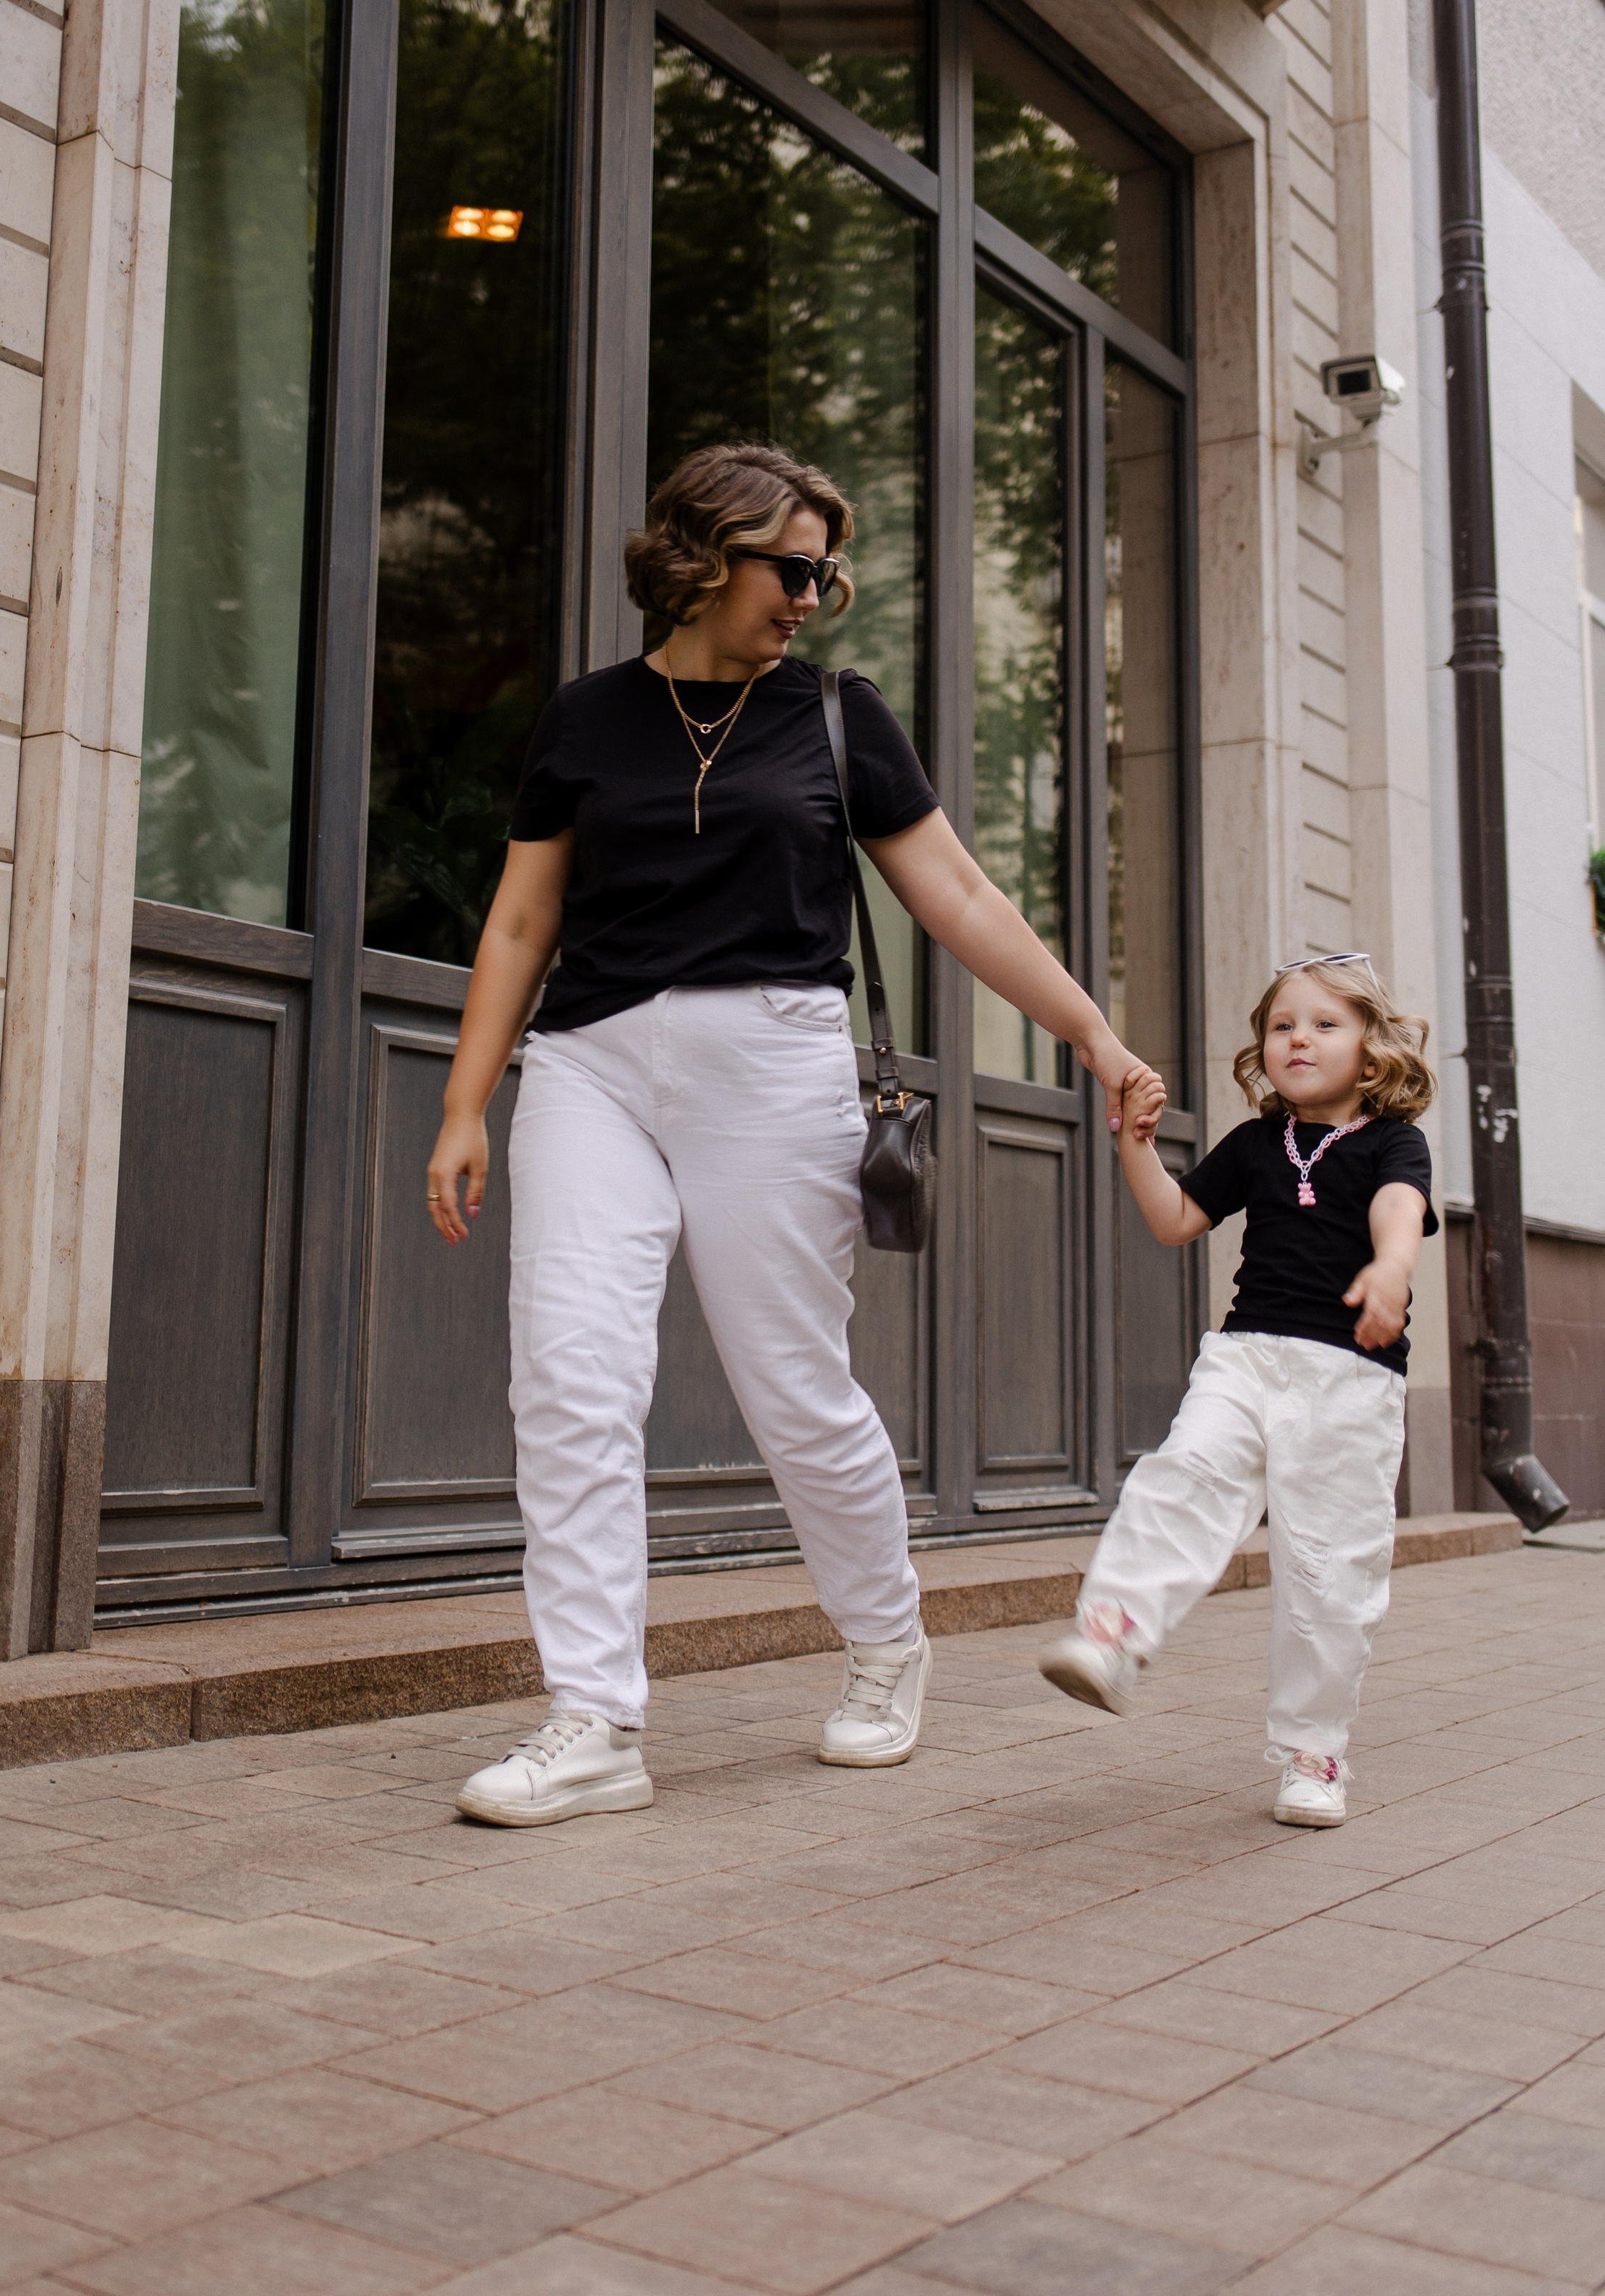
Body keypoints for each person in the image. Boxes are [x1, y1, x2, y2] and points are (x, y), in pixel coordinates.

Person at [427, 441, 1157, 1826]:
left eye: (828, 573)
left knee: (793, 1390)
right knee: (570, 1381)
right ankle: (595, 1718)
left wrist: (1093, 1035)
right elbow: (522, 920)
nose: (814, 596)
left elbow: (959, 897)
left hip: (771, 1064)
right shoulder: (586, 719)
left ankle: (885, 1643)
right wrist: (467, 1102)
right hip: (588, 1066)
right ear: (705, 556)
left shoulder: (835, 715)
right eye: (793, 568)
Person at [1040, 952, 1438, 1827]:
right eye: (1281, 1026)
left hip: (1350, 1380)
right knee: (1183, 1475)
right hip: (1245, 1359)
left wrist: (1390, 1270)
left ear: (1371, 1049)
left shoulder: (1391, 1142)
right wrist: (1134, 1142)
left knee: (1329, 1567)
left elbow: (1399, 1208)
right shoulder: (1257, 1143)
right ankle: (1112, 1634)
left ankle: (1312, 1751)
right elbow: (1174, 1220)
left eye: (1325, 1024)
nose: (1299, 1039)